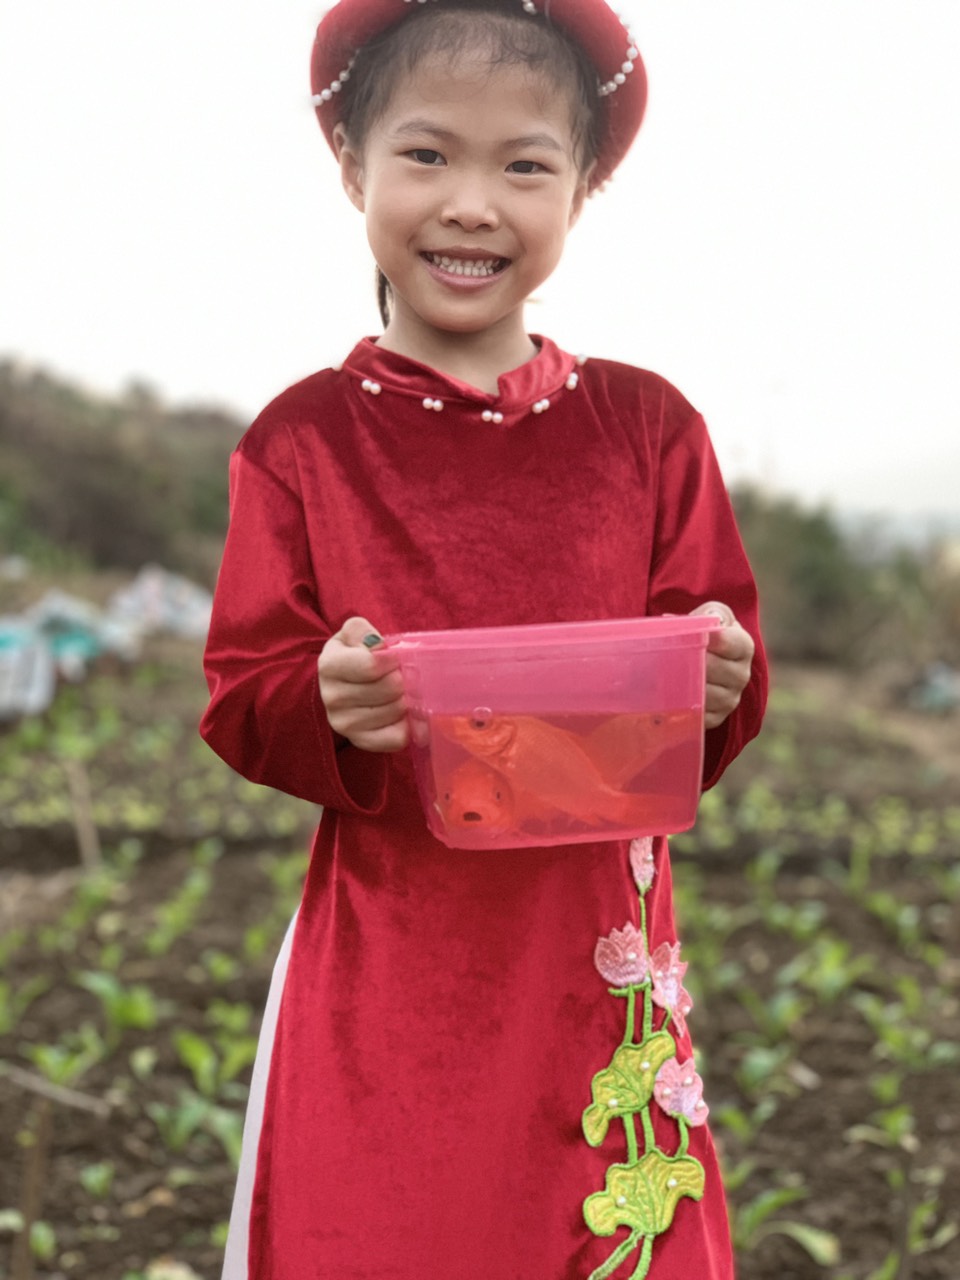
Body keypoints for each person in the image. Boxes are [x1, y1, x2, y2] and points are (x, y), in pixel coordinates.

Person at [199, 1, 767, 1276]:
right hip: (396, 963)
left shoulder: (648, 430)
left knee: (604, 1228)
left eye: (526, 165)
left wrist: (721, 671)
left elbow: (711, 656)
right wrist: (324, 699)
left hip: (590, 953)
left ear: (583, 187)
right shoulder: (302, 444)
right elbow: (245, 686)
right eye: (427, 154)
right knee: (392, 1228)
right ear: (353, 167)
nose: (473, 203)